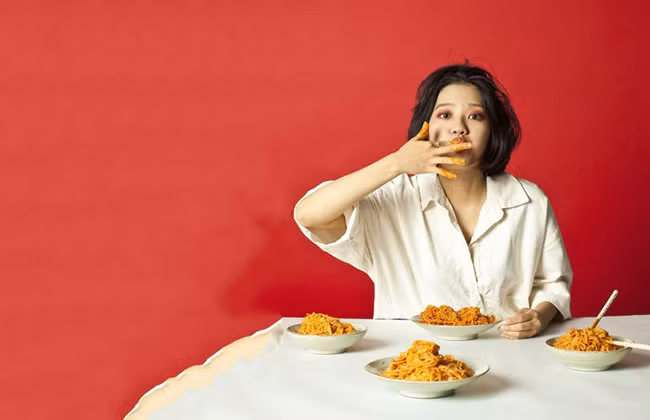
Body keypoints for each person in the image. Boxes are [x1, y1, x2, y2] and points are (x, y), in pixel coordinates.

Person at [293, 63, 572, 339]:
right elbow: (308, 215)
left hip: (508, 355)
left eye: (475, 116)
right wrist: (396, 163)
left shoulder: (530, 201)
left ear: (492, 131)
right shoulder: (395, 198)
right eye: (445, 115)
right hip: (412, 359)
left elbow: (552, 284)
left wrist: (540, 316)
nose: (459, 128)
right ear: (425, 127)